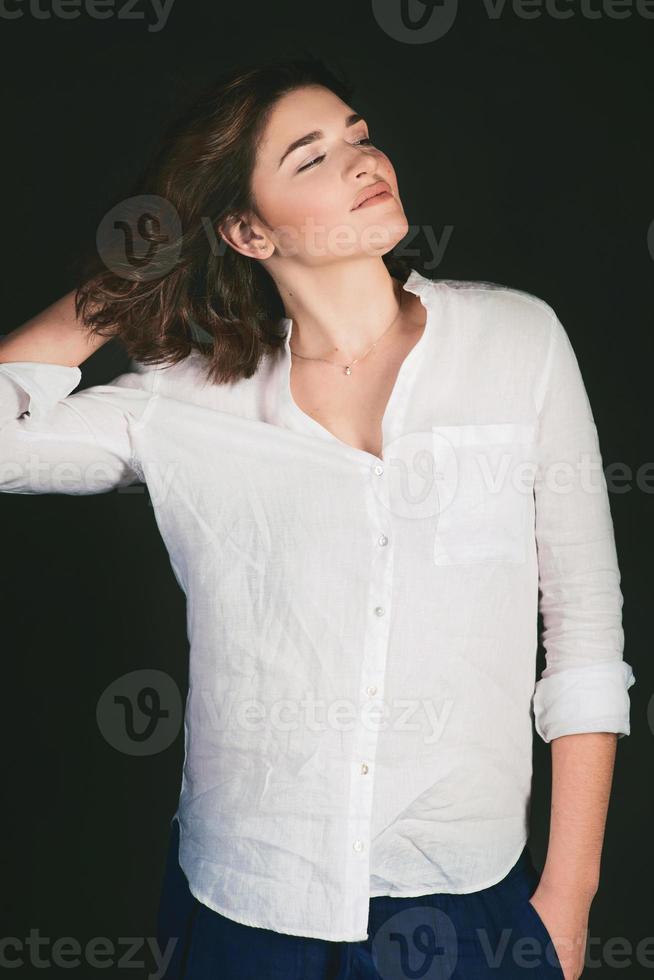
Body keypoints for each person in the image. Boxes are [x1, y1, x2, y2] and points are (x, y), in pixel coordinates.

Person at [0, 54, 635, 980]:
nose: (362, 160)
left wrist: (567, 904)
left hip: (467, 903)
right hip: (245, 904)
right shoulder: (183, 401)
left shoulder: (517, 342)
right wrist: (131, 281)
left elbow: (585, 632)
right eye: (312, 157)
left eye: (358, 136)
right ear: (248, 232)